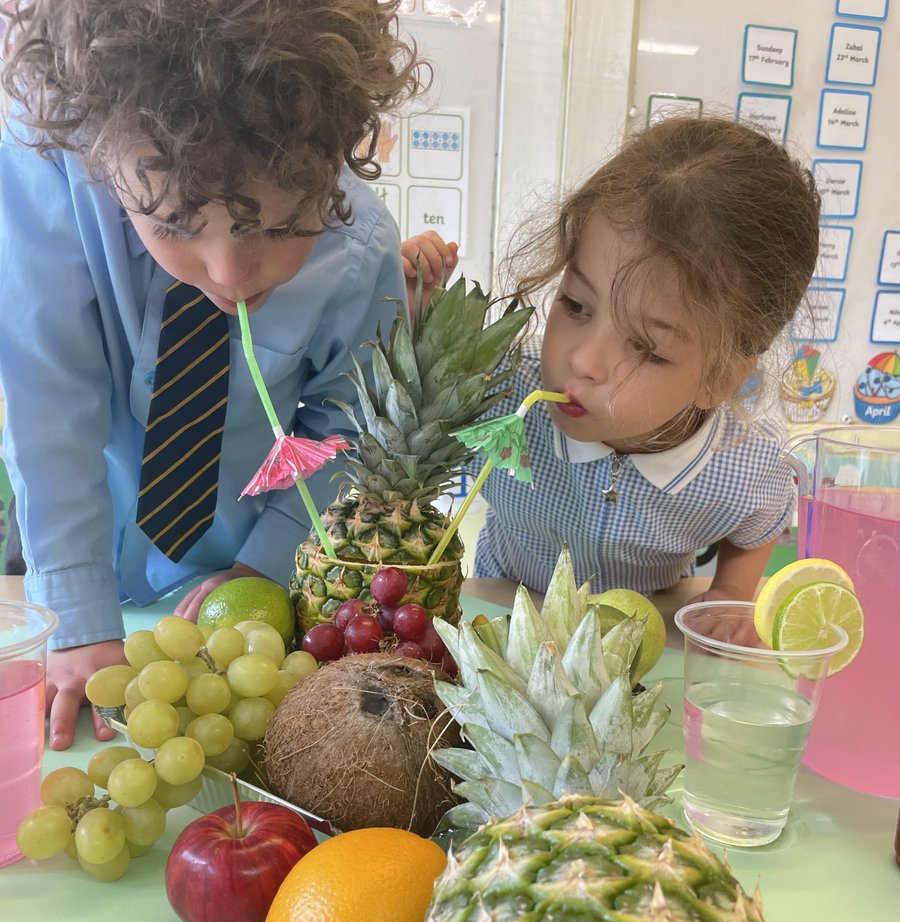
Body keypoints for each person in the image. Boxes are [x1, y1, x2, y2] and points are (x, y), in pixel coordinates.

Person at [0, 1, 456, 750]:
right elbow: (50, 401)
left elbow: (345, 427)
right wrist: (76, 616)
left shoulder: (361, 241)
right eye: (172, 227)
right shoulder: (49, 180)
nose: (230, 274)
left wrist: (261, 568)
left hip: (240, 564)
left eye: (281, 227)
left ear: (334, 160)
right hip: (67, 540)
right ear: (98, 159)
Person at [469, 116, 818, 603]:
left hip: (635, 639)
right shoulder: (501, 389)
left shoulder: (744, 463)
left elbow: (760, 522)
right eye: (574, 304)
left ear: (720, 378)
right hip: (499, 607)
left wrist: (730, 592)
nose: (585, 360)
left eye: (647, 349)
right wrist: (412, 308)